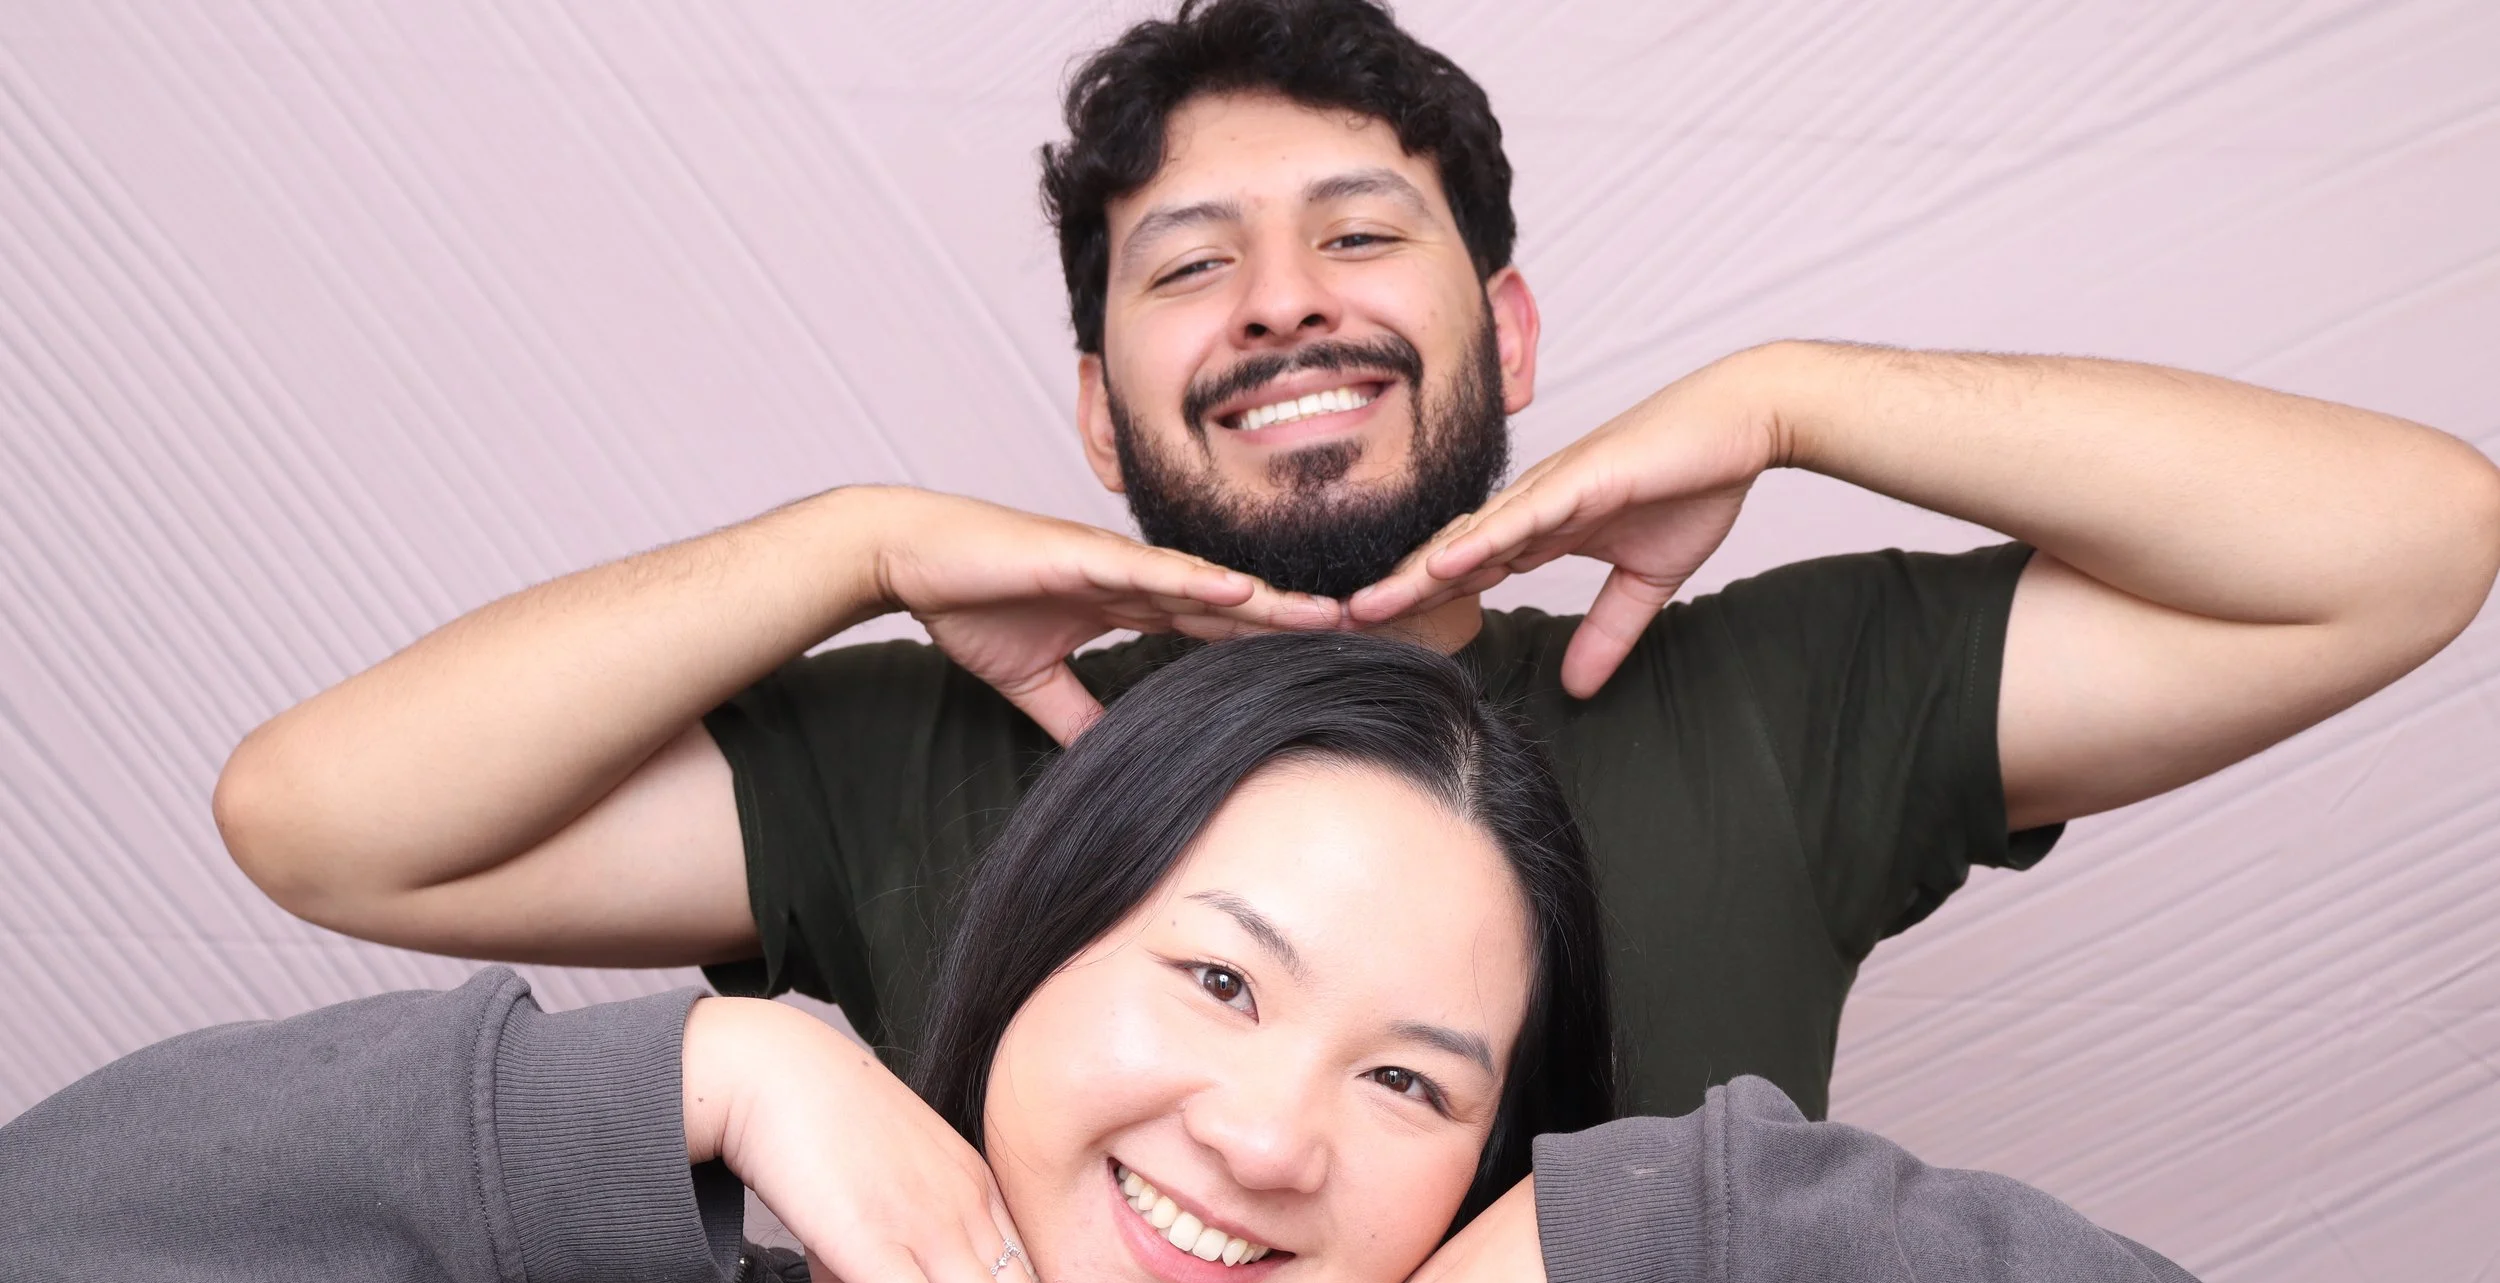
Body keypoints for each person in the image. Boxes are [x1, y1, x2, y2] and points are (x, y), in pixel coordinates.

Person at [210, 0, 2500, 1132]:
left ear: (1504, 333)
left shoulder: (1770, 705)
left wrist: (1798, 396)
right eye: (1188, 264)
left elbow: (2406, 547)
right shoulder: (923, 757)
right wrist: (850, 550)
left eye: (1357, 235)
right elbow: (323, 823)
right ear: (1098, 409)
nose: (1282, 304)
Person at [1, 637, 2395, 1283]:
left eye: (1410, 1081)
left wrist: (1693, 1236)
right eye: (1218, 979)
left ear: (1494, 1159)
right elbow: (60, 1276)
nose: (1260, 1133)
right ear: (1033, 945)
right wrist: (701, 1081)